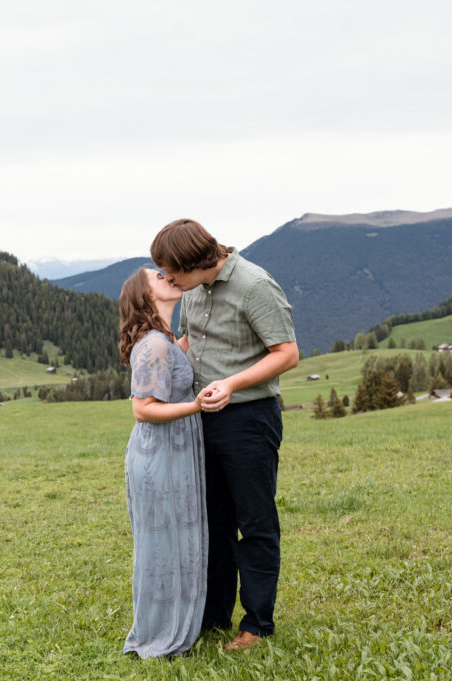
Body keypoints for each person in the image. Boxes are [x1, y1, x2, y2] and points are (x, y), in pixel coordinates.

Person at [150, 219, 298, 651]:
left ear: (195, 262)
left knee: (254, 523)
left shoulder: (255, 285)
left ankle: (257, 625)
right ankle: (213, 617)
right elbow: (192, 340)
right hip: (202, 418)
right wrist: (154, 359)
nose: (169, 280)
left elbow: (287, 354)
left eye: (173, 271)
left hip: (249, 419)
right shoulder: (193, 288)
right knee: (212, 523)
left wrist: (232, 384)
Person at [118, 267, 208, 659]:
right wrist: (196, 405)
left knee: (172, 543)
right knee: (163, 546)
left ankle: (173, 624)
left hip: (172, 453)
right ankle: (159, 635)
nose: (169, 275)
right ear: (145, 294)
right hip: (159, 457)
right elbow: (143, 409)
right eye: (158, 275)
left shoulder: (164, 341)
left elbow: (180, 356)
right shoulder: (153, 344)